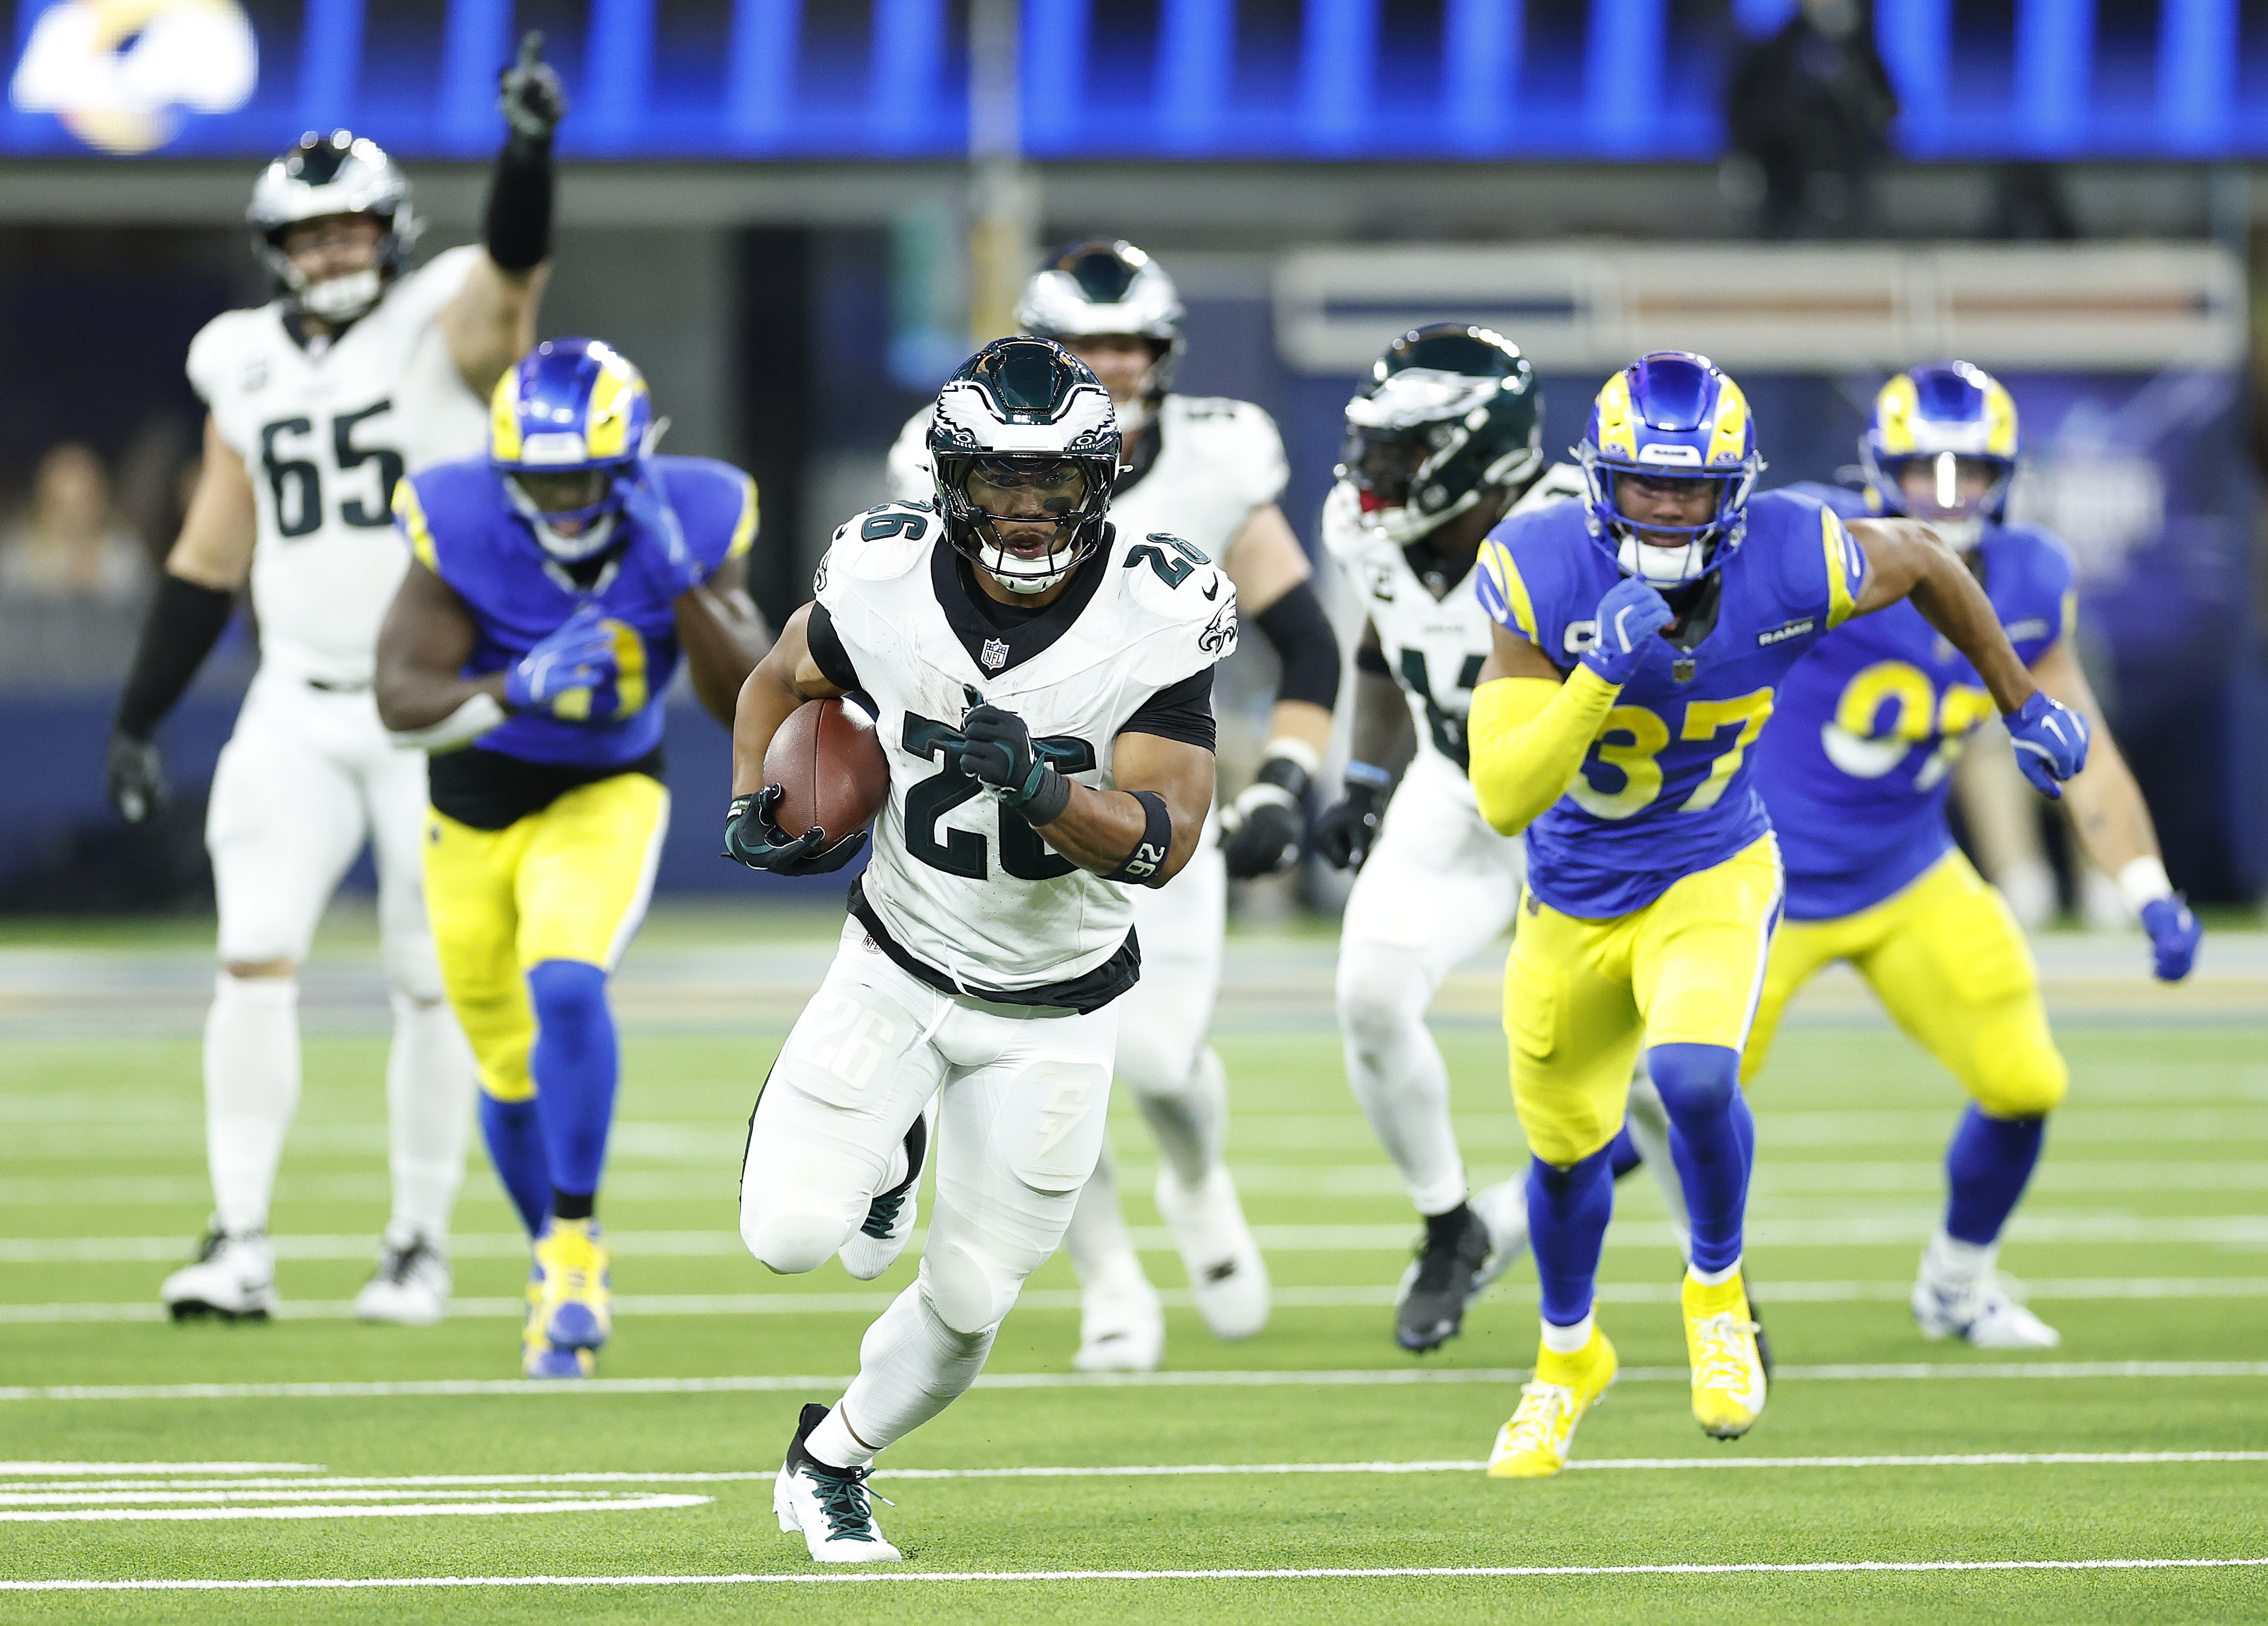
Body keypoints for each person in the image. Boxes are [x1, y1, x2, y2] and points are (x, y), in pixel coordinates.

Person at [1464, 351, 2088, 1477]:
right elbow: (1507, 795)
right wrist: (1596, 673)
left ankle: (1714, 1295)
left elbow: (1926, 559)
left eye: (1690, 487)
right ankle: (1565, 1362)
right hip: (1567, 897)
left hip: (1711, 864)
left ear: (1733, 490)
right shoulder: (1535, 563)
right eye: (1642, 485)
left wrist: (2021, 699)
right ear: (1597, 481)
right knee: (1562, 1162)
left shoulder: (1795, 551)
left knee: (1694, 1077)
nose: (1664, 506)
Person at [732, 337, 1235, 1561]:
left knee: (966, 1304)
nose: (1023, 510)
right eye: (998, 483)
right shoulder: (879, 576)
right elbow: (777, 681)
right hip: (895, 960)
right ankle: (891, 1147)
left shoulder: (1158, 610)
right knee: (789, 1236)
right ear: (949, 488)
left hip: (1056, 1006)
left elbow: (1163, 844)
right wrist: (761, 803)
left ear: (1097, 485)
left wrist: (1040, 791)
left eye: (1051, 483)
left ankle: (831, 1458)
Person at [103, 40, 567, 1326]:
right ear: (274, 248)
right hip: (293, 703)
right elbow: (212, 550)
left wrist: (526, 154)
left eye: (353, 226)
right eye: (307, 234)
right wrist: (142, 713)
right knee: (250, 956)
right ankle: (237, 1237)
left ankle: (416, 1241)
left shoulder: (445, 321)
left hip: (433, 704)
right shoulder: (235, 356)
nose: (330, 251)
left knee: (431, 976)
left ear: (393, 233)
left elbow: (512, 273)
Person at [884, 241, 1338, 1371]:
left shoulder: (1217, 458)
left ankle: (1195, 1179)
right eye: (1089, 346)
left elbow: (1307, 643)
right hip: (1009, 808)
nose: (1116, 365)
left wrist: (1283, 775)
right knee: (1038, 1057)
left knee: (1159, 1063)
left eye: (1134, 344)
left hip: (1151, 794)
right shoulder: (946, 463)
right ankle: (1113, 1284)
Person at [1741, 361, 2200, 1346]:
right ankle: (1509, 1224)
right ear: (1874, 472)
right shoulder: (1809, 538)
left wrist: (2144, 883)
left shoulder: (2031, 573)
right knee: (1672, 1106)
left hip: (1907, 871)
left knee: (2024, 1080)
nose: (1946, 500)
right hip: (1758, 881)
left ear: (2006, 478)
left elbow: (2080, 738)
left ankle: (1956, 1283)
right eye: (1922, 475)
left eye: (1969, 476)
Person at [374, 338, 767, 1377]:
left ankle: (578, 1242)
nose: (559, 500)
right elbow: (398, 694)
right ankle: (558, 1254)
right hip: (469, 810)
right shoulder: (456, 521)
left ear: (632, 463)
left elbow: (749, 697)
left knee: (567, 979)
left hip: (602, 789)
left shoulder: (693, 510)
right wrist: (506, 689)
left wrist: (678, 569)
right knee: (505, 1071)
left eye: (580, 474)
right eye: (537, 479)